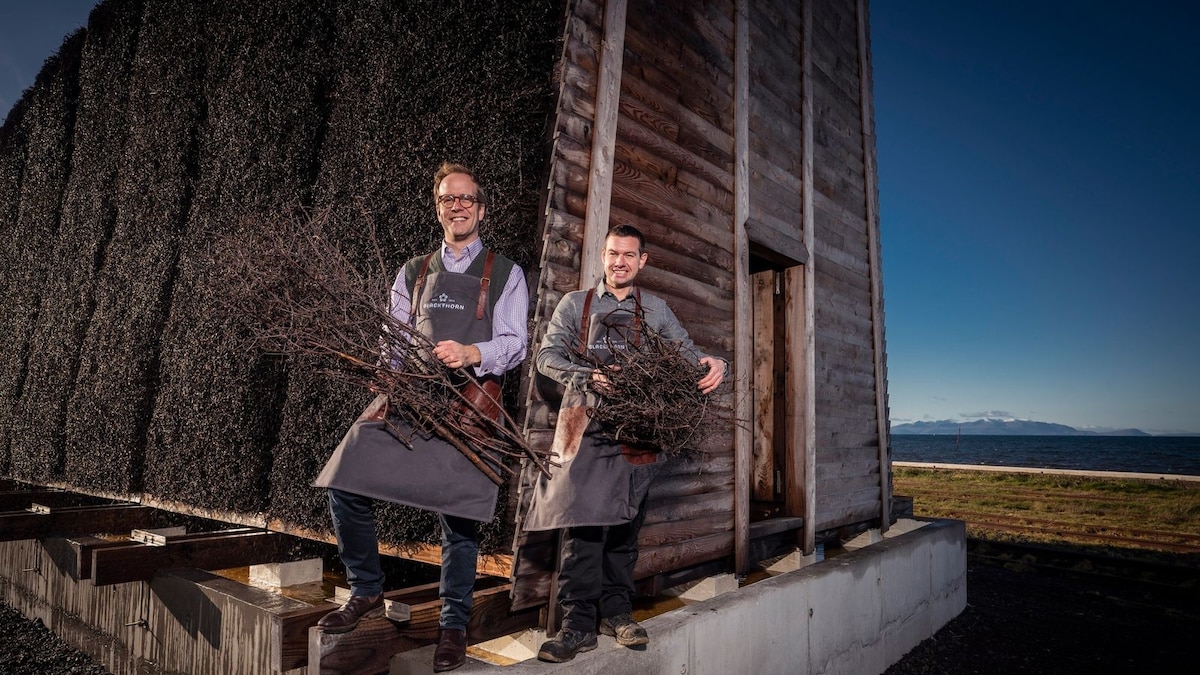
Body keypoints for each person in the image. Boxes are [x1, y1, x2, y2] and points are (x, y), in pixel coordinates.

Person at [312, 162, 529, 672]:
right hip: (412, 400)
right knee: (345, 478)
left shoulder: (506, 273)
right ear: (438, 208)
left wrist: (471, 353)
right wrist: (384, 373)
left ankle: (453, 625)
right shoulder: (413, 271)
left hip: (468, 406)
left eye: (466, 199)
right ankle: (365, 588)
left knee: (458, 517)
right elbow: (395, 338)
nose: (458, 206)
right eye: (448, 199)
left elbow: (515, 344)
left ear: (481, 208)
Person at [524, 223, 725, 663]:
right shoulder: (576, 305)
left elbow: (686, 355)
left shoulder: (655, 309)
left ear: (642, 261)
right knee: (583, 523)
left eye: (629, 255)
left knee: (625, 524)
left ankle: (617, 613)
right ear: (603, 256)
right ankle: (576, 625)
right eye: (614, 253)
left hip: (637, 430)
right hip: (588, 425)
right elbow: (546, 357)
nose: (620, 262)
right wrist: (588, 376)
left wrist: (716, 361)